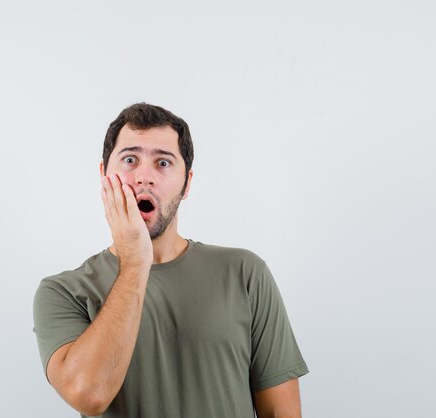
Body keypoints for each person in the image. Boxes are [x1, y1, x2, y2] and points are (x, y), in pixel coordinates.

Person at [32, 103, 309, 418]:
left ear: (187, 183)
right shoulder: (63, 292)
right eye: (130, 160)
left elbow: (282, 412)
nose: (144, 177)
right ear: (104, 175)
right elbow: (89, 395)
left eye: (163, 162)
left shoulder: (244, 273)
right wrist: (136, 262)